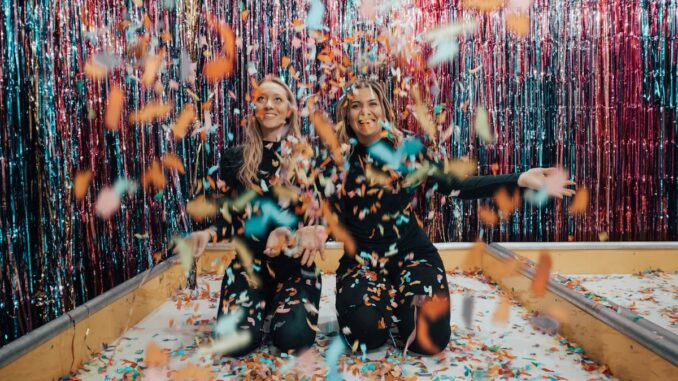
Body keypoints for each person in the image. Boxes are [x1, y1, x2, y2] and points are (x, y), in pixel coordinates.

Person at [326, 79, 575, 355]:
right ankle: (382, 301)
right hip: (362, 263)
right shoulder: (336, 161)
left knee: (428, 341)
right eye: (356, 106)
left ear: (384, 109)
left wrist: (519, 179)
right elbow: (322, 214)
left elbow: (456, 186)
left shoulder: (409, 150)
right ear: (346, 115)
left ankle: (400, 302)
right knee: (367, 335)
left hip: (413, 256)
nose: (365, 112)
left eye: (372, 104)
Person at [179, 77, 327, 356]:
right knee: (236, 344)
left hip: (295, 270)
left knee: (292, 338)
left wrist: (313, 231)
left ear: (290, 110)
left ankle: (279, 306)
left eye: (277, 99)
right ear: (254, 109)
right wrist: (207, 234)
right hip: (249, 268)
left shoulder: (308, 158)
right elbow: (227, 218)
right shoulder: (234, 159)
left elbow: (320, 217)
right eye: (261, 99)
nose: (268, 105)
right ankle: (262, 302)